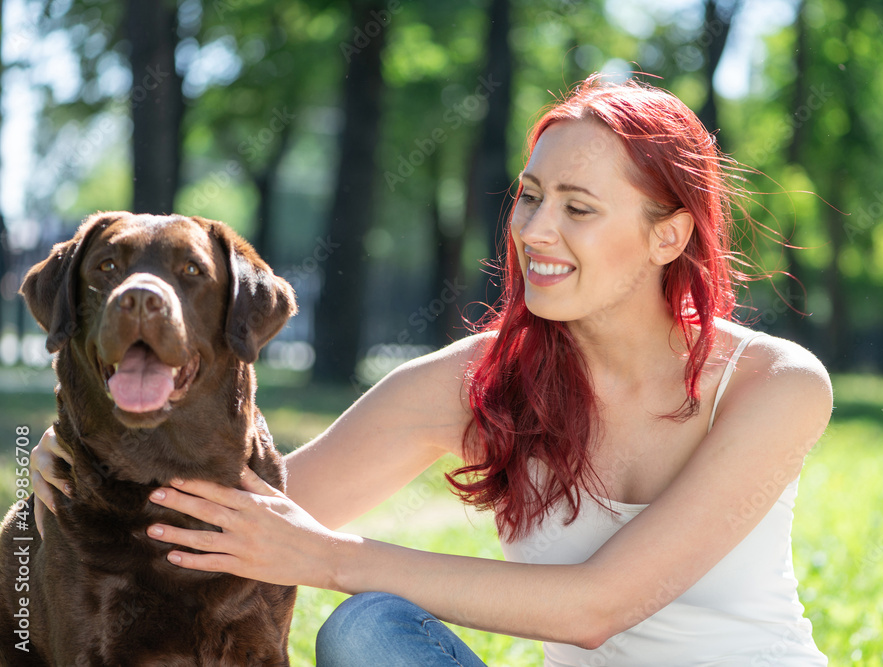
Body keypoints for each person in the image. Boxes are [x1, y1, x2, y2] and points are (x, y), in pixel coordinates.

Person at [33, 75, 834, 666]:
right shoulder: (484, 379)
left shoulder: (775, 382)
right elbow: (245, 519)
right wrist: (83, 469)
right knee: (366, 631)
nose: (536, 231)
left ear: (669, 236)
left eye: (578, 208)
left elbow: (600, 605)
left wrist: (330, 557)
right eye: (530, 197)